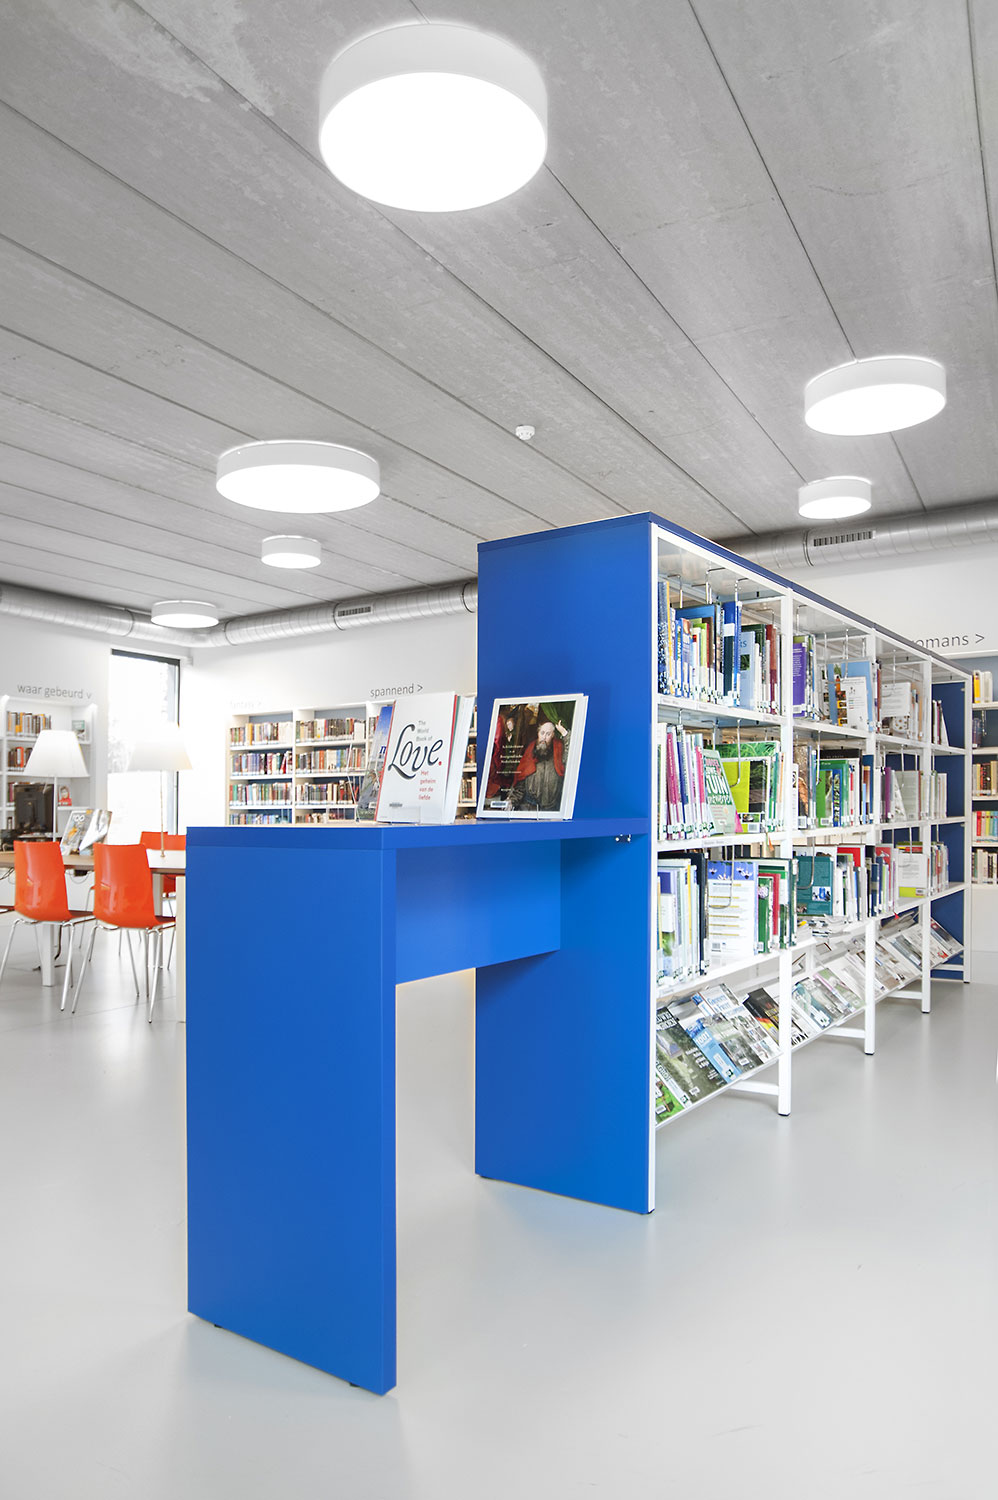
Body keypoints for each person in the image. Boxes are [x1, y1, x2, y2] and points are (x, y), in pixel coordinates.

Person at [509, 718, 570, 812]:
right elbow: (520, 786)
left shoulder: (559, 751)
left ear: (553, 735)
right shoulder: (529, 752)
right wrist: (511, 801)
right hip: (529, 808)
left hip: (551, 810)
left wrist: (565, 734)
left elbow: (571, 758)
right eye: (542, 733)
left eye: (548, 734)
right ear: (538, 733)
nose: (544, 737)